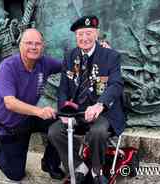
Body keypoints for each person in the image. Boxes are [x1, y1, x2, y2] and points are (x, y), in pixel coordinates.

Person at [48, 15, 126, 184]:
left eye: (89, 33)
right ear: (76, 36)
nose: (84, 38)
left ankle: (97, 171)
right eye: (80, 34)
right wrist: (63, 111)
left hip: (103, 113)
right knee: (54, 131)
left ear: (96, 34)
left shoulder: (110, 56)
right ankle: (80, 167)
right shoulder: (70, 56)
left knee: (98, 132)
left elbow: (116, 84)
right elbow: (63, 89)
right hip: (77, 111)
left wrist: (99, 105)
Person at [0, 28, 65, 182]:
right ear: (20, 45)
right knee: (16, 174)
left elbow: (69, 65)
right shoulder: (8, 66)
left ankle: (49, 163)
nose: (33, 47)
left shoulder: (45, 63)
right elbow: (10, 103)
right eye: (29, 43)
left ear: (43, 46)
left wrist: (97, 52)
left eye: (37, 43)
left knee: (62, 123)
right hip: (9, 125)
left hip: (29, 117)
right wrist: (39, 111)